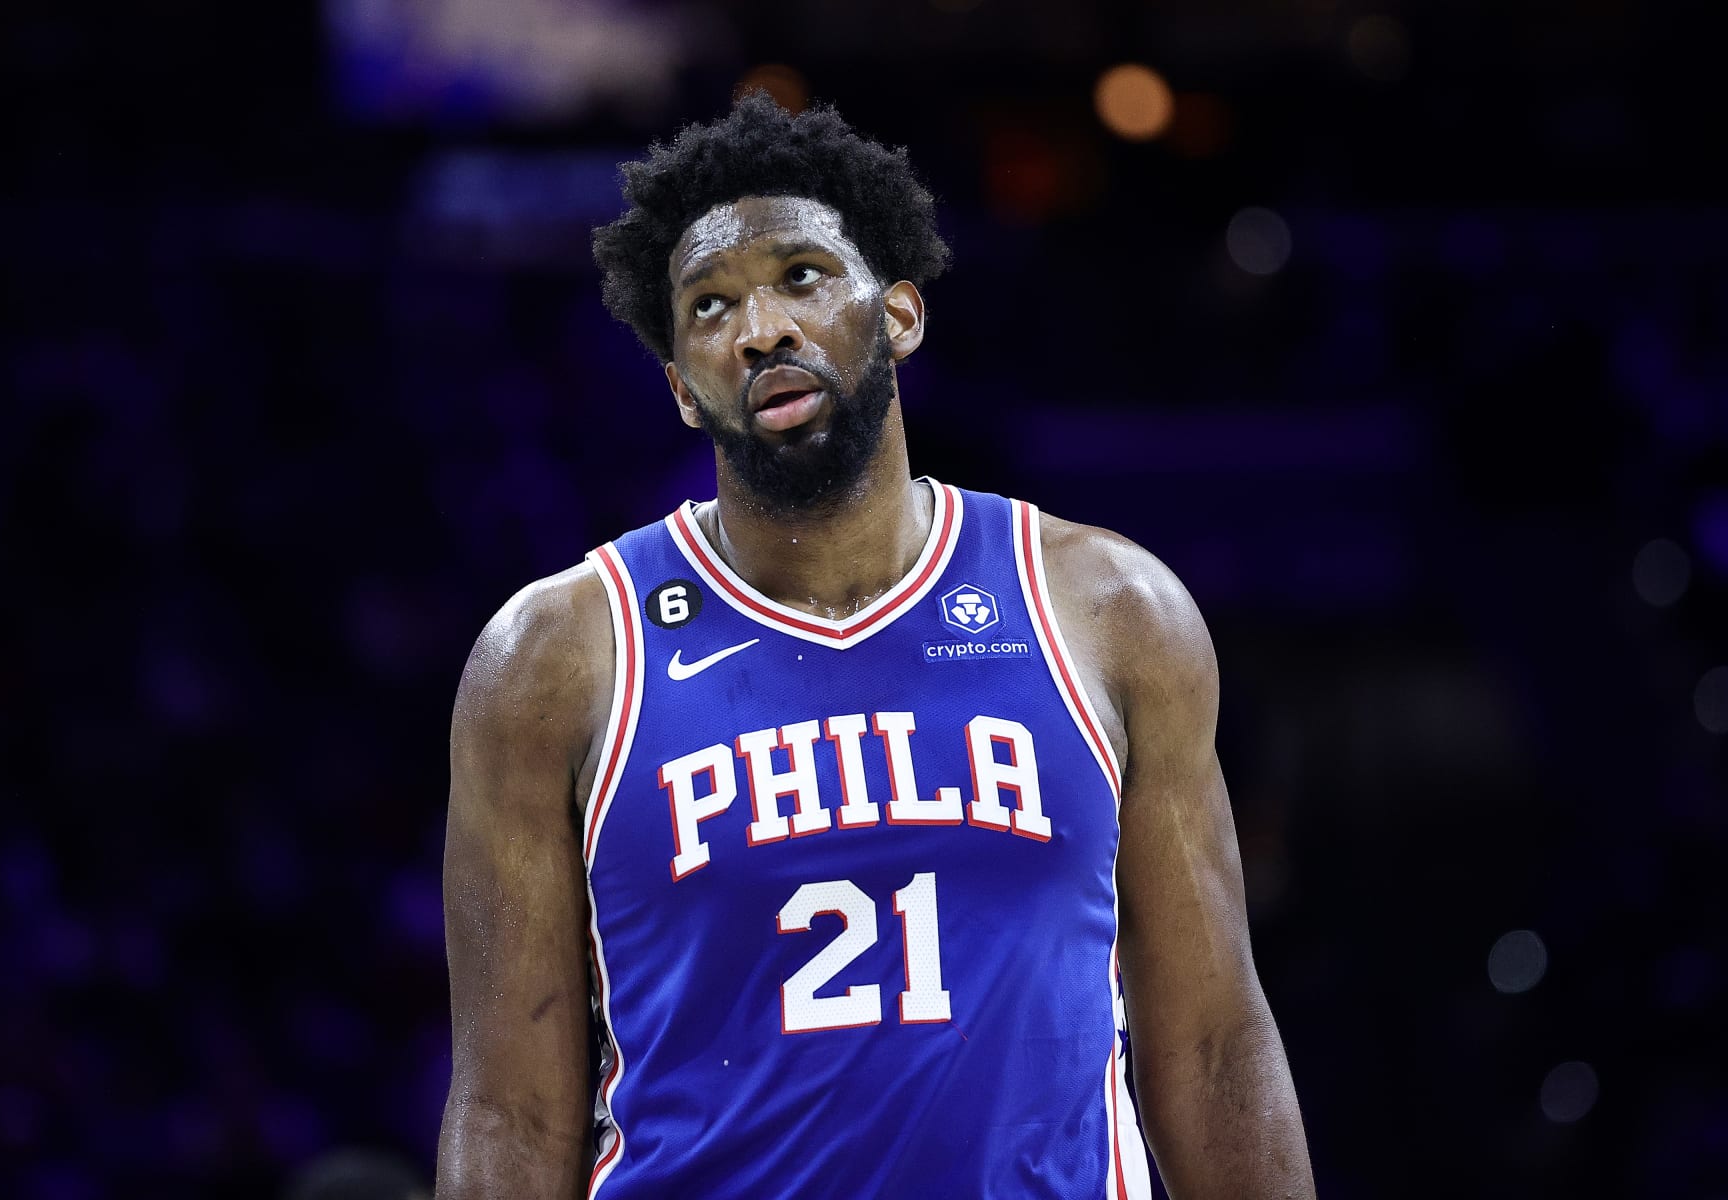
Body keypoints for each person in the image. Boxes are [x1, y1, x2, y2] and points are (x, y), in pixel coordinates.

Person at [435, 93, 1315, 1200]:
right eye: (710, 306)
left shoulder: (1106, 609)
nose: (760, 329)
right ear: (679, 389)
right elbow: (510, 1108)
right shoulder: (553, 659)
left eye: (802, 277)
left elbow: (1215, 1044)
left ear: (899, 315)